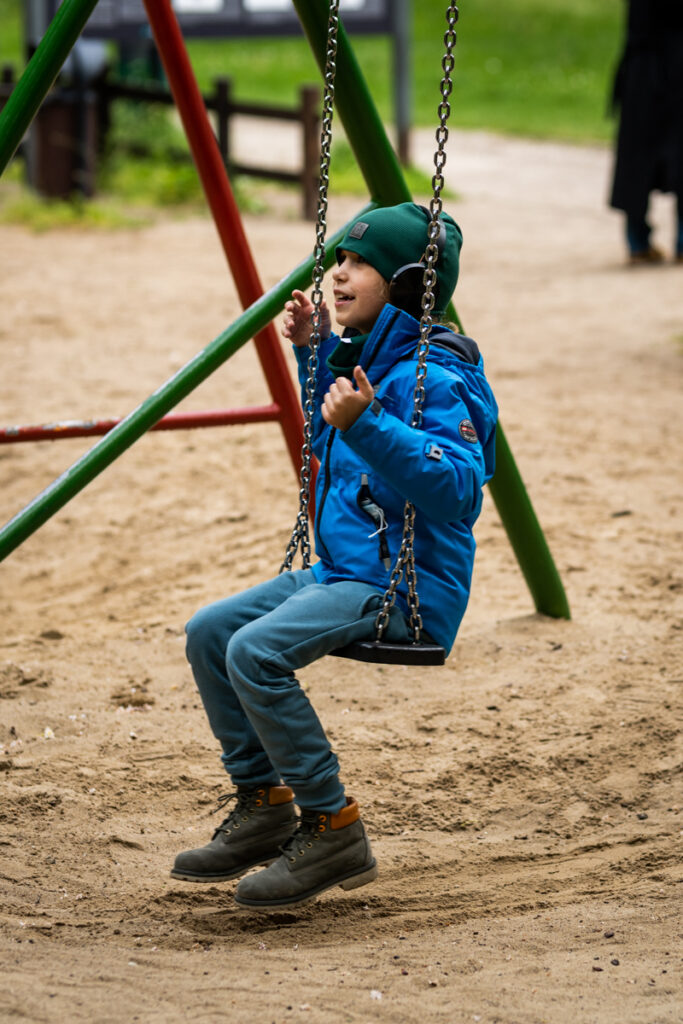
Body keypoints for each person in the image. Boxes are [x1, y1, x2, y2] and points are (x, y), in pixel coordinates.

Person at [170, 203, 498, 909]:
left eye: (356, 265)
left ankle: (333, 824)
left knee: (255, 652)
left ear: (407, 283)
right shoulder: (363, 359)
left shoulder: (437, 379)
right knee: (210, 632)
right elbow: (332, 440)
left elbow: (459, 489)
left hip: (402, 588)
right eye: (337, 262)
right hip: (344, 569)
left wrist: (371, 423)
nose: (336, 274)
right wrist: (312, 352)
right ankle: (265, 802)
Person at [609, 0, 683, 264]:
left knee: (637, 159)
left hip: (642, 69)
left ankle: (637, 242)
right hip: (667, 65)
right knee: (640, 160)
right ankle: (643, 242)